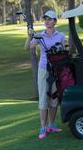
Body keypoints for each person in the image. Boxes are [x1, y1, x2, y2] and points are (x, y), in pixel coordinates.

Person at [29, 10, 65, 139]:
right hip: (44, 69)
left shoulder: (60, 35)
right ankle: (43, 127)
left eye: (50, 19)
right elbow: (30, 46)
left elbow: (63, 50)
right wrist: (30, 36)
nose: (47, 21)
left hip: (57, 69)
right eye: (45, 19)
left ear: (55, 21)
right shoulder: (39, 35)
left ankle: (51, 124)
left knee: (54, 97)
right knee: (44, 97)